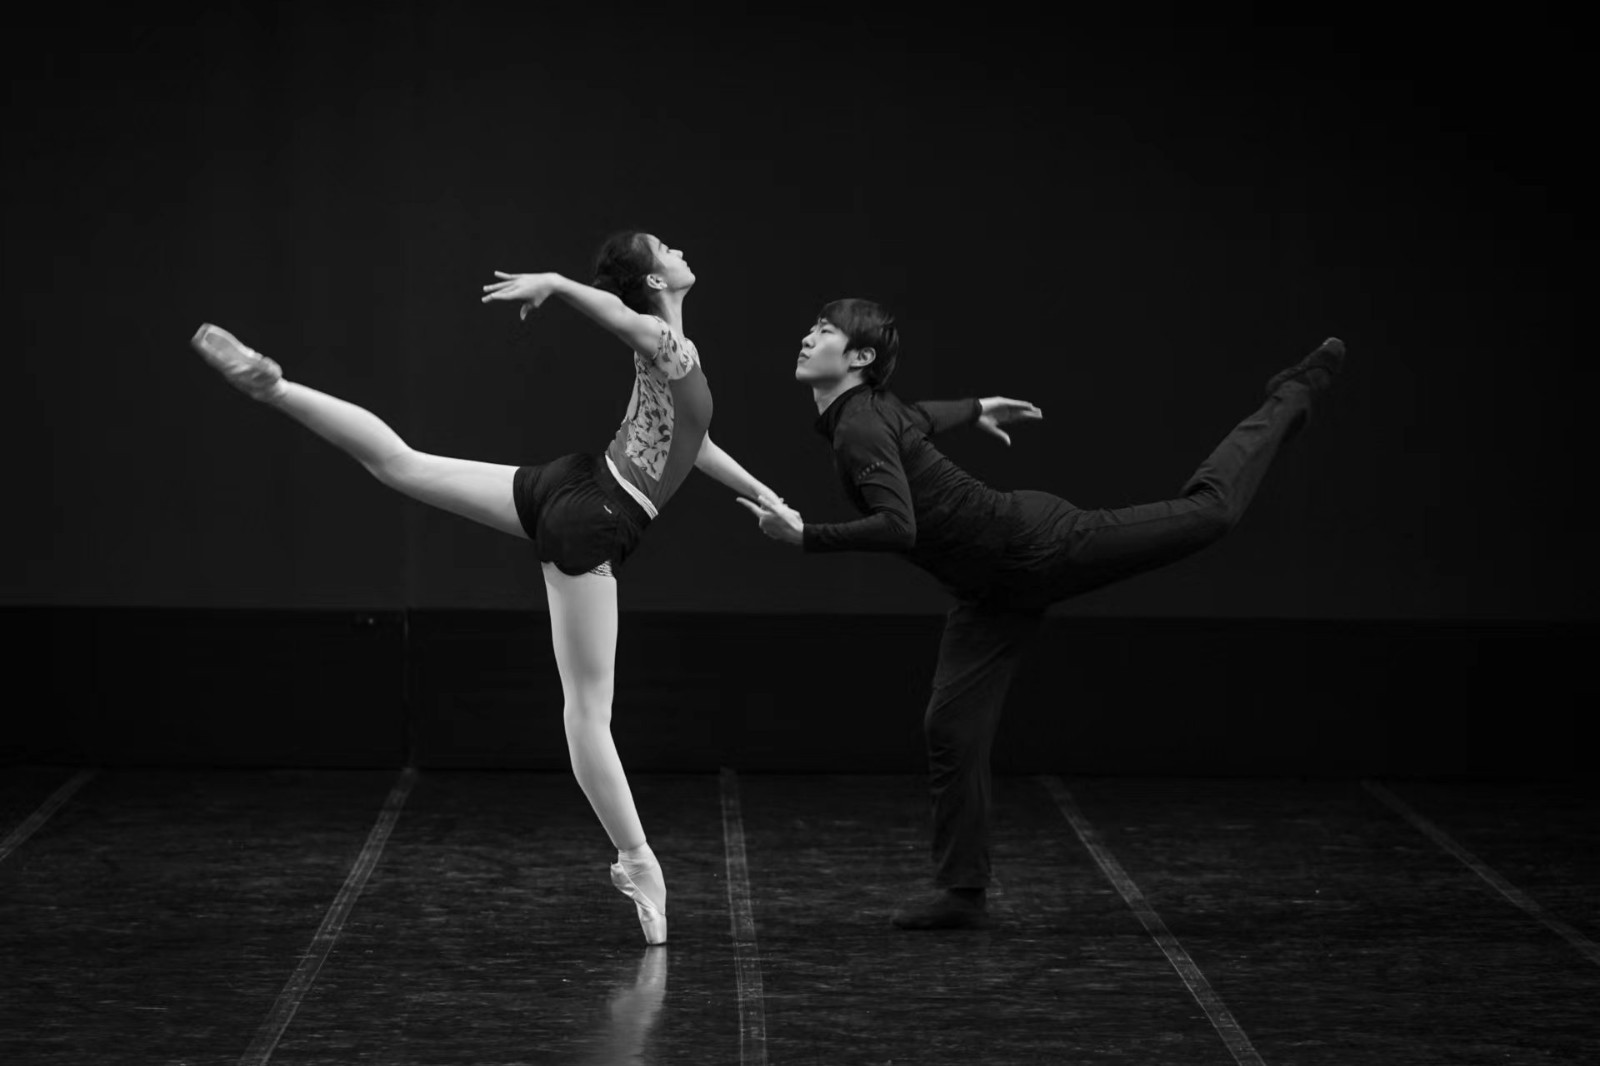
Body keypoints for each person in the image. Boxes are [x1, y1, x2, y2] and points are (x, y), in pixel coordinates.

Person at [191, 232, 781, 945]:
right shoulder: (660, 337)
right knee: (587, 713)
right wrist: (557, 283)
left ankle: (277, 388)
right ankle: (637, 859)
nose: (679, 249)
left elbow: (696, 444)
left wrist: (764, 495)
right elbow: (619, 317)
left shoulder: (674, 351)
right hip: (597, 515)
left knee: (404, 465)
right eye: (664, 247)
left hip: (572, 483)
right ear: (656, 281)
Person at [740, 298, 1345, 930]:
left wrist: (805, 536)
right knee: (951, 728)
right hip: (988, 592)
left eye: (824, 331)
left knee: (1211, 512)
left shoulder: (860, 426)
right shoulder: (866, 412)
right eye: (813, 328)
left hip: (1039, 545)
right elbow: (919, 416)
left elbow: (898, 526)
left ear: (859, 357)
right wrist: (976, 407)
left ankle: (1292, 392)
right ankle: (962, 893)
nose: (807, 338)